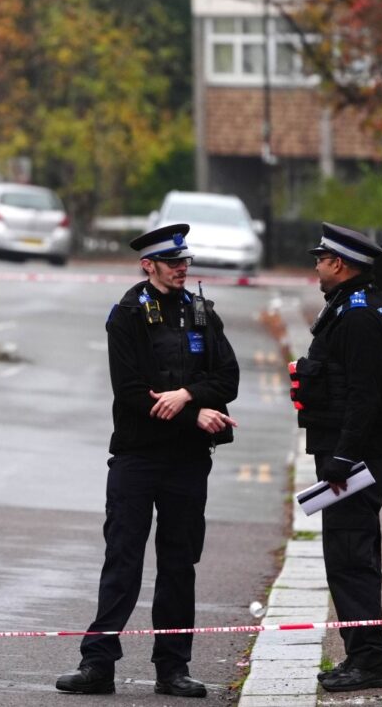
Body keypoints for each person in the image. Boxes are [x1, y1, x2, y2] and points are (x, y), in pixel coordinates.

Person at [55, 223, 239, 698]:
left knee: (179, 564)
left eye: (185, 262)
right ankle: (98, 664)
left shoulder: (202, 312)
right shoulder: (127, 315)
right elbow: (133, 392)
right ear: (148, 265)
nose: (182, 269)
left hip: (187, 462)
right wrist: (194, 414)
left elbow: (228, 378)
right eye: (172, 263)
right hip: (137, 458)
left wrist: (188, 398)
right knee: (123, 560)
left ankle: (172, 668)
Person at [290, 222, 382, 693]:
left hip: (351, 459)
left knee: (350, 558)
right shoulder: (364, 305)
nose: (316, 267)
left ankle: (373, 661)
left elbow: (365, 394)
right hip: (355, 453)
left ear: (338, 263)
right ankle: (362, 654)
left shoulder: (357, 315)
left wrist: (342, 458)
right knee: (351, 556)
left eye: (320, 260)